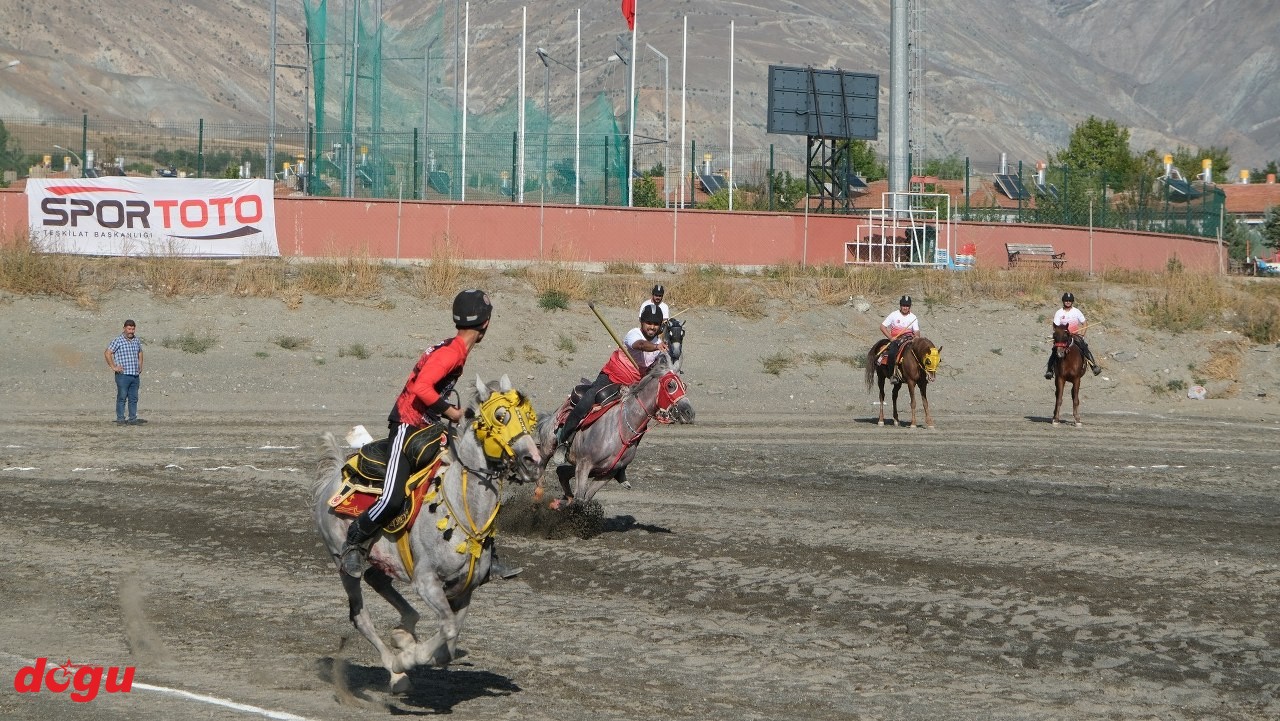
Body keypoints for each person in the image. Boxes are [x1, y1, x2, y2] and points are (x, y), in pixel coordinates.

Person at [339, 289, 518, 581]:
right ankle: (354, 544)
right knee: (393, 499)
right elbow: (422, 387)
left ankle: (489, 556)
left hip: (430, 429)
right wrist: (453, 413)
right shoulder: (452, 353)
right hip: (407, 428)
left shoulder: (455, 349)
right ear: (486, 324)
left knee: (474, 480)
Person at [554, 304, 668, 448]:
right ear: (641, 322)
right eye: (649, 323)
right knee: (589, 398)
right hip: (611, 376)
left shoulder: (659, 344)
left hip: (632, 386)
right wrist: (656, 347)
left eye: (656, 324)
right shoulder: (634, 334)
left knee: (642, 419)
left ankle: (623, 455)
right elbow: (640, 345)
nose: (652, 327)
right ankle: (563, 439)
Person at [1046, 291, 1102, 378]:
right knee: (1054, 350)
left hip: (1074, 336)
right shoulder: (1059, 313)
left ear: (1072, 301)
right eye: (1066, 300)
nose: (1068, 302)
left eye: (1070, 300)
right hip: (1063, 338)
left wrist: (1082, 335)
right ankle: (1050, 370)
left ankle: (1093, 366)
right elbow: (1055, 327)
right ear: (1063, 301)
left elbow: (1085, 323)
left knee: (1084, 347)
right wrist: (1061, 334)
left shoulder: (1077, 311)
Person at [105, 319, 145, 425]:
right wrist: (113, 367)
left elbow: (140, 352)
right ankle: (120, 419)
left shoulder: (136, 340)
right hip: (123, 375)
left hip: (135, 375)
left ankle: (132, 418)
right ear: (124, 328)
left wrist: (140, 365)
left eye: (133, 329)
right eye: (129, 329)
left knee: (134, 398)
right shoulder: (118, 340)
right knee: (122, 397)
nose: (131, 331)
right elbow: (108, 353)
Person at [879, 295, 920, 375]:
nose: (905, 308)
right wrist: (890, 338)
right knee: (892, 353)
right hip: (896, 340)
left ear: (910, 307)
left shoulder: (913, 317)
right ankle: (892, 374)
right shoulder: (894, 315)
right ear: (900, 306)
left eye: (907, 306)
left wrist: (917, 337)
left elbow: (916, 331)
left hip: (909, 339)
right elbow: (882, 326)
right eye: (903, 305)